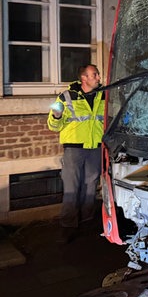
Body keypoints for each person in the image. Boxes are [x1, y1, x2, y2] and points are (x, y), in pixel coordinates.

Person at [47, 64, 104, 243]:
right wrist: (56, 116)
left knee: (90, 187)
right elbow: (53, 126)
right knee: (72, 188)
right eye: (94, 75)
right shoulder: (65, 97)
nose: (98, 78)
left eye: (98, 74)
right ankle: (68, 226)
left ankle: (87, 222)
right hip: (74, 149)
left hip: (95, 147)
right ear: (84, 78)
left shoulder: (105, 96)